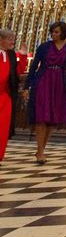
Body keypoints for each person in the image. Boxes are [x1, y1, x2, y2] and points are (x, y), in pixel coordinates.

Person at [22, 21, 66, 165]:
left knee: (51, 120)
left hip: (58, 84)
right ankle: (40, 151)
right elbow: (34, 66)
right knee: (41, 117)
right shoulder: (44, 47)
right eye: (52, 32)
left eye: (57, 32)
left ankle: (41, 149)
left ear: (63, 33)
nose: (53, 34)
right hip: (42, 82)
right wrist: (26, 86)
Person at [0, 29, 20, 162]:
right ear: (1, 40)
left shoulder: (11, 54)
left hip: (5, 95)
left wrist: (23, 57)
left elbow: (15, 72)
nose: (13, 41)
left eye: (13, 38)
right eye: (10, 39)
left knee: (3, 127)